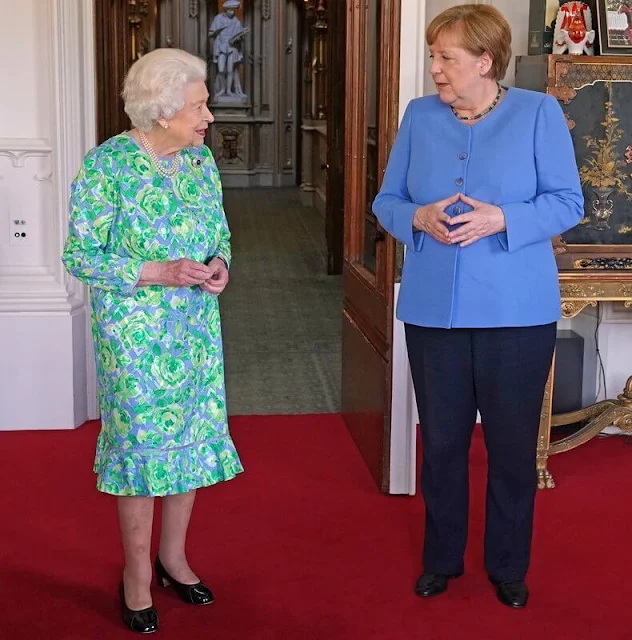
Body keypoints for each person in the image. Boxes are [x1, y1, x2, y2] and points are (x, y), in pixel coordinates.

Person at [373, 4, 583, 609]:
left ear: (485, 62)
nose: (435, 70)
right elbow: (387, 200)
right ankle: (442, 559)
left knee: (513, 447)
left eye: (447, 58)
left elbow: (568, 202)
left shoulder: (538, 113)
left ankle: (509, 564)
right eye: (433, 56)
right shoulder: (418, 116)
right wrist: (416, 215)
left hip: (518, 314)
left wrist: (504, 218)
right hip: (433, 312)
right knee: (440, 442)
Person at [62, 48, 243, 634]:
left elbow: (220, 233)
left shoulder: (199, 162)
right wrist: (157, 271)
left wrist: (219, 265)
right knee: (143, 454)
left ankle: (174, 559)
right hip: (134, 337)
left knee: (188, 442)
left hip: (193, 328)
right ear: (163, 112)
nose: (209, 116)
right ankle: (136, 576)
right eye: (199, 106)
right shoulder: (106, 166)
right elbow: (80, 255)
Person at [209, 0, 249, 99]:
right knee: (221, 69)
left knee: (231, 70)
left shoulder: (236, 21)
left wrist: (239, 37)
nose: (232, 12)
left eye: (234, 10)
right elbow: (210, 33)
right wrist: (215, 33)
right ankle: (222, 89)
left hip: (232, 48)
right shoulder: (218, 19)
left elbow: (240, 37)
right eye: (230, 10)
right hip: (221, 47)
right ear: (226, 10)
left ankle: (229, 91)